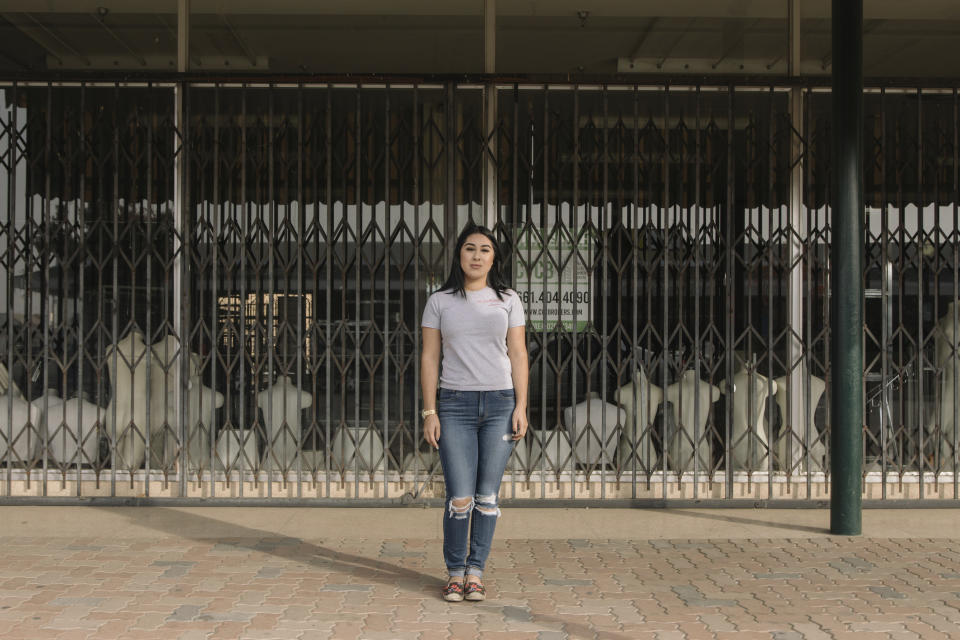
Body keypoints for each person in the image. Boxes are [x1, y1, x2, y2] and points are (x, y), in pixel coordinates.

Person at [420, 221, 529, 602]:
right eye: (470, 248)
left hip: (500, 403)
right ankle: (454, 572)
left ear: (494, 257)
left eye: (484, 249)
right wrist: (429, 411)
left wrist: (522, 405)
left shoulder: (509, 299)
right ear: (459, 255)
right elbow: (430, 356)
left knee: (487, 497)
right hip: (454, 406)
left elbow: (518, 353)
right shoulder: (440, 301)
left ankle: (476, 572)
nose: (477, 255)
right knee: (460, 496)